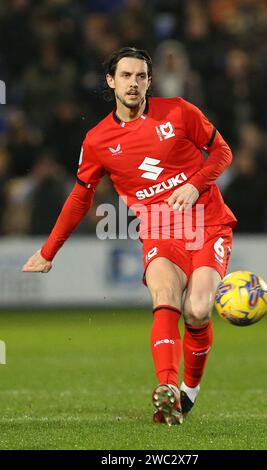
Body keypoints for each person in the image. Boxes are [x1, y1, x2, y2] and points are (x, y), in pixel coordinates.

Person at [22, 47, 237, 426]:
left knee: (199, 310)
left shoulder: (179, 111)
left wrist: (195, 184)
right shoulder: (98, 141)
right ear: (111, 81)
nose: (133, 83)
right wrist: (48, 251)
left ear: (149, 81)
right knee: (165, 297)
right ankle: (166, 391)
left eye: (140, 76)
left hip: (206, 224)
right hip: (158, 230)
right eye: (125, 76)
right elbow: (79, 199)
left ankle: (189, 390)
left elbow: (221, 152)